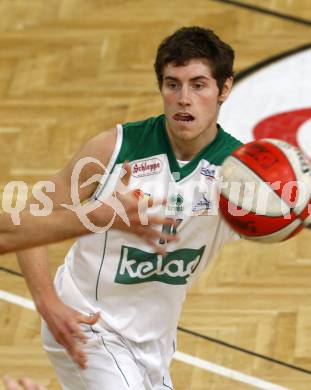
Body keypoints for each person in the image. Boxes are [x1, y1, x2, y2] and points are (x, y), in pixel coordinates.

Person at [15, 26, 242, 389]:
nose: (184, 98)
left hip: (155, 341)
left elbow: (280, 219)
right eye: (173, 84)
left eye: (198, 85)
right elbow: (30, 215)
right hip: (88, 324)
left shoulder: (238, 172)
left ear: (224, 89)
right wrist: (47, 301)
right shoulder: (114, 149)